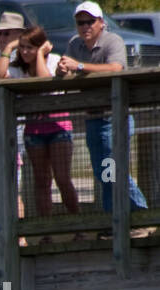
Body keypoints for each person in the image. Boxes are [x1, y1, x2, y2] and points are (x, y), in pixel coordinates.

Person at [56, 1, 148, 223]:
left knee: (116, 172)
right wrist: (60, 71)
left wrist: (78, 66)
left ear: (101, 23)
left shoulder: (112, 40)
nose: (85, 26)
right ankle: (113, 222)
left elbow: (116, 68)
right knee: (104, 174)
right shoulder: (74, 44)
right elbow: (64, 75)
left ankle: (143, 217)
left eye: (90, 21)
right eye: (80, 22)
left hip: (113, 118)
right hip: (92, 119)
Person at [0, 27, 82, 239]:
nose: (25, 52)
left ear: (40, 47)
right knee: (41, 180)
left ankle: (79, 226)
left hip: (58, 126)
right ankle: (46, 232)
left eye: (29, 48)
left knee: (62, 178)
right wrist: (8, 48)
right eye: (22, 47)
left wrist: (41, 55)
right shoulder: (18, 69)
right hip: (34, 129)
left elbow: (45, 81)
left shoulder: (53, 60)